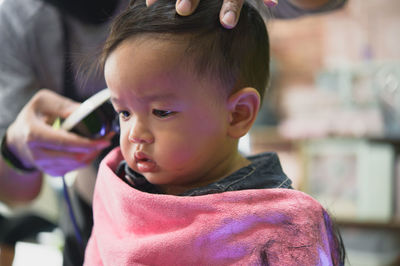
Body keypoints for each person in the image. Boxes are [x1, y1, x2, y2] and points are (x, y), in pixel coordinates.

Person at [0, 0, 347, 265]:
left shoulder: (286, 225)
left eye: (161, 111)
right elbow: (16, 192)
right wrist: (15, 149)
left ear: (238, 114)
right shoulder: (115, 188)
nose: (135, 134)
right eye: (123, 112)